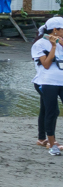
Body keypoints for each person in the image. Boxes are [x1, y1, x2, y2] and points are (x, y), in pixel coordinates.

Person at [33, 16, 63, 154]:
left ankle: (41, 138)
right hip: (46, 82)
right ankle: (52, 143)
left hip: (61, 82)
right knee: (52, 111)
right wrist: (54, 46)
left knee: (46, 109)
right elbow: (46, 65)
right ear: (55, 30)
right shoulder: (40, 44)